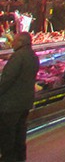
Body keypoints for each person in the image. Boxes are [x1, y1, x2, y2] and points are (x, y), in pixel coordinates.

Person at [0, 32, 39, 162]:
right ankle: (20, 158)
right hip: (25, 102)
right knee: (20, 135)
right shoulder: (33, 55)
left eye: (15, 40)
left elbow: (7, 80)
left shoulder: (18, 57)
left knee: (8, 136)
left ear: (21, 42)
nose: (12, 43)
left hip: (11, 104)